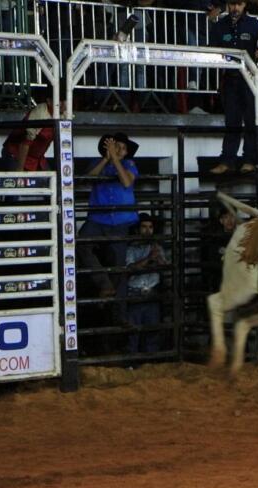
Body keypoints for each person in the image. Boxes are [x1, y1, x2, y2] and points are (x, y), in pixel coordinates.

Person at [208, 0, 258, 174]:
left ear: (244, 5)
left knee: (251, 121)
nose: (235, 8)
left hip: (250, 80)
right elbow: (211, 48)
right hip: (230, 80)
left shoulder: (254, 24)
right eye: (232, 4)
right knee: (232, 121)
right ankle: (227, 160)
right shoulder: (220, 26)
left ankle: (249, 160)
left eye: (238, 4)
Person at [77, 133, 140, 323]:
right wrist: (106, 158)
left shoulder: (129, 164)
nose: (119, 150)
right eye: (116, 146)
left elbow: (126, 181)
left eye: (122, 148)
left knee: (118, 267)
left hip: (120, 222)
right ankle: (104, 283)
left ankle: (119, 316)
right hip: (98, 218)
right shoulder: (98, 162)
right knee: (81, 243)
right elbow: (87, 179)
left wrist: (115, 158)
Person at [126, 213, 168, 353]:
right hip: (135, 294)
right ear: (137, 229)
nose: (147, 230)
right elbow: (131, 268)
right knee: (133, 332)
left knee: (152, 331)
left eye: (150, 227)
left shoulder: (157, 248)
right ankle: (133, 359)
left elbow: (165, 267)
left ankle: (150, 359)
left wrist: (158, 258)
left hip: (152, 293)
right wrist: (150, 258)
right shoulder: (131, 248)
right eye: (144, 227)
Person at [1, 86, 67, 171]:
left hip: (36, 159)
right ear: (49, 101)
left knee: (51, 178)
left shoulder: (64, 114)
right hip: (16, 154)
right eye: (60, 100)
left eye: (65, 100)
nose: (63, 104)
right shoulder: (40, 113)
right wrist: (20, 170)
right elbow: (25, 143)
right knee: (19, 179)